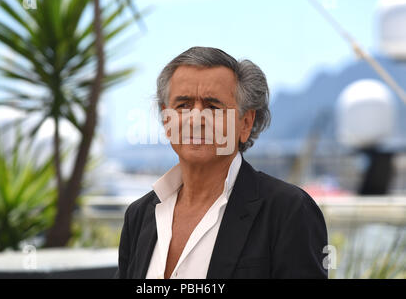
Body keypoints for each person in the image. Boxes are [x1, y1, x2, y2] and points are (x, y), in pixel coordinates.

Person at [115, 47, 328, 279]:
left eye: (213, 107)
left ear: (245, 123)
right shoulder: (139, 216)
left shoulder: (288, 211)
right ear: (167, 120)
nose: (196, 120)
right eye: (183, 105)